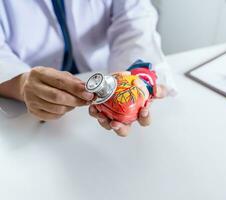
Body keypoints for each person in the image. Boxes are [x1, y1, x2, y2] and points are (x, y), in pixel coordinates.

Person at [0, 0, 176, 137]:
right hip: (24, 116)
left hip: (104, 85)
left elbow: (134, 23)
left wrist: (138, 75)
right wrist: (21, 84)